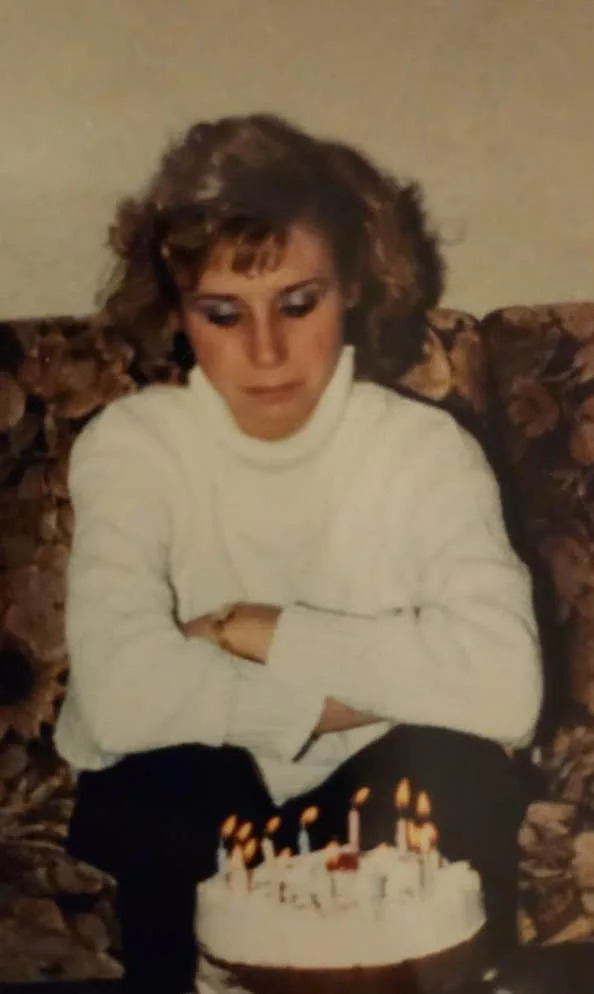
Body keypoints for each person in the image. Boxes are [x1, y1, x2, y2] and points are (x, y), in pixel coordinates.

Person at [55, 114, 543, 994]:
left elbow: (506, 688)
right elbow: (123, 702)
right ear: (177, 310)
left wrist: (261, 628)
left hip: (383, 799)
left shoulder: (425, 451)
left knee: (460, 768)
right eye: (223, 313)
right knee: (176, 778)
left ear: (353, 285)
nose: (267, 351)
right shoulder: (132, 445)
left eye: (296, 302)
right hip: (187, 797)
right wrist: (370, 678)